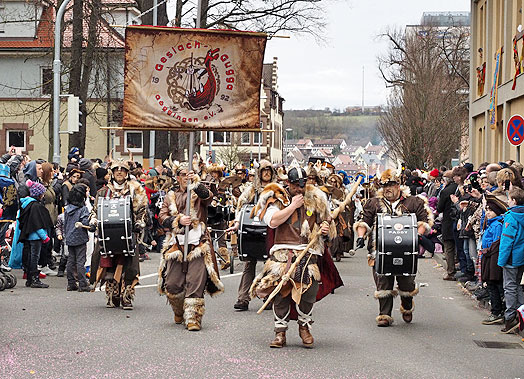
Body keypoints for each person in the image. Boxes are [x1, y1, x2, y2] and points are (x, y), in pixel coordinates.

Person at [249, 167, 338, 348]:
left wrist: (325, 231)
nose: (300, 188)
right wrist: (292, 206)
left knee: (309, 288)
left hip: (308, 250)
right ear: (288, 183)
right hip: (282, 251)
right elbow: (273, 221)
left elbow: (327, 225)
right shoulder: (275, 198)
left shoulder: (316, 198)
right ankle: (280, 332)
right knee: (281, 289)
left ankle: (304, 326)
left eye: (302, 184)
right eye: (296, 185)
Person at [354, 169, 433, 327]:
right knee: (383, 281)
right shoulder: (374, 203)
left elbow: (424, 220)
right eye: (384, 186)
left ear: (398, 184)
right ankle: (384, 314)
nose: (387, 189)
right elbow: (364, 220)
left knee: (406, 283)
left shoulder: (413, 202)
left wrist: (417, 235)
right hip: (379, 250)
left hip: (406, 250)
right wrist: (361, 236)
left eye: (390, 185)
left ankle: (407, 306)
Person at [158, 162, 224, 331]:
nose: (186, 177)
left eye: (190, 174)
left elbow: (208, 197)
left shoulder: (198, 192)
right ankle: (179, 310)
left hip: (198, 243)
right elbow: (162, 216)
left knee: (195, 281)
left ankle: (193, 318)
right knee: (172, 284)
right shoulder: (171, 195)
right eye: (183, 174)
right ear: (177, 177)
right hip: (177, 244)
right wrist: (177, 220)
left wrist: (196, 183)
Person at [89, 159, 149, 310]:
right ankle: (112, 293)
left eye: (123, 170)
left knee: (130, 266)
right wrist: (93, 221)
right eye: (117, 170)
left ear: (127, 173)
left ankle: (127, 295)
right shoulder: (103, 192)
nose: (120, 172)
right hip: (107, 234)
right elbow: (95, 211)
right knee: (105, 262)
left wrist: (140, 222)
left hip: (128, 233)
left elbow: (142, 210)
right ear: (112, 173)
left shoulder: (136, 190)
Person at [226, 159, 277, 311]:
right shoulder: (251, 190)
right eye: (264, 170)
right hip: (253, 231)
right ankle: (243, 299)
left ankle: (268, 296)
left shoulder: (277, 189)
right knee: (249, 263)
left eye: (269, 170)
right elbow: (241, 207)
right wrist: (236, 223)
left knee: (270, 265)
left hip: (270, 230)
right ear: (259, 173)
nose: (266, 173)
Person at [498, 187, 524, 333]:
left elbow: (507, 241)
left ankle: (510, 317)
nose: (507, 201)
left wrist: (501, 260)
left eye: (508, 199)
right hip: (521, 257)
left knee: (509, 287)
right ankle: (521, 314)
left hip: (511, 257)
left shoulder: (511, 217)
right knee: (518, 286)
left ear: (514, 201)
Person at [18, 180, 53, 288]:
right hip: (36, 236)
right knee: (35, 257)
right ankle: (34, 278)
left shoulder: (27, 204)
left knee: (30, 256)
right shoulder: (36, 206)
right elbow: (37, 224)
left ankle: (30, 278)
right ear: (39, 194)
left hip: (28, 235)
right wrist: (45, 237)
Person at [480, 195, 507, 325]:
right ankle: (498, 310)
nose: (488, 213)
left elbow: (496, 244)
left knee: (493, 285)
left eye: (490, 210)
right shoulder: (492, 223)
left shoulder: (497, 225)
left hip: (492, 258)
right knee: (492, 285)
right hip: (488, 257)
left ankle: (496, 312)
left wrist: (487, 252)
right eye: (487, 210)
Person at [64, 184, 94, 292]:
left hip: (69, 236)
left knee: (71, 260)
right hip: (80, 237)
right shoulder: (83, 209)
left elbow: (65, 223)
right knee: (81, 261)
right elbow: (85, 222)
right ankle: (83, 284)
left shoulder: (67, 209)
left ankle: (71, 283)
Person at [437, 171, 459, 281]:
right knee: (460, 247)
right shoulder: (458, 188)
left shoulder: (445, 191)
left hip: (448, 221)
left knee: (449, 247)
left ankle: (451, 271)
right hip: (458, 221)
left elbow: (439, 208)